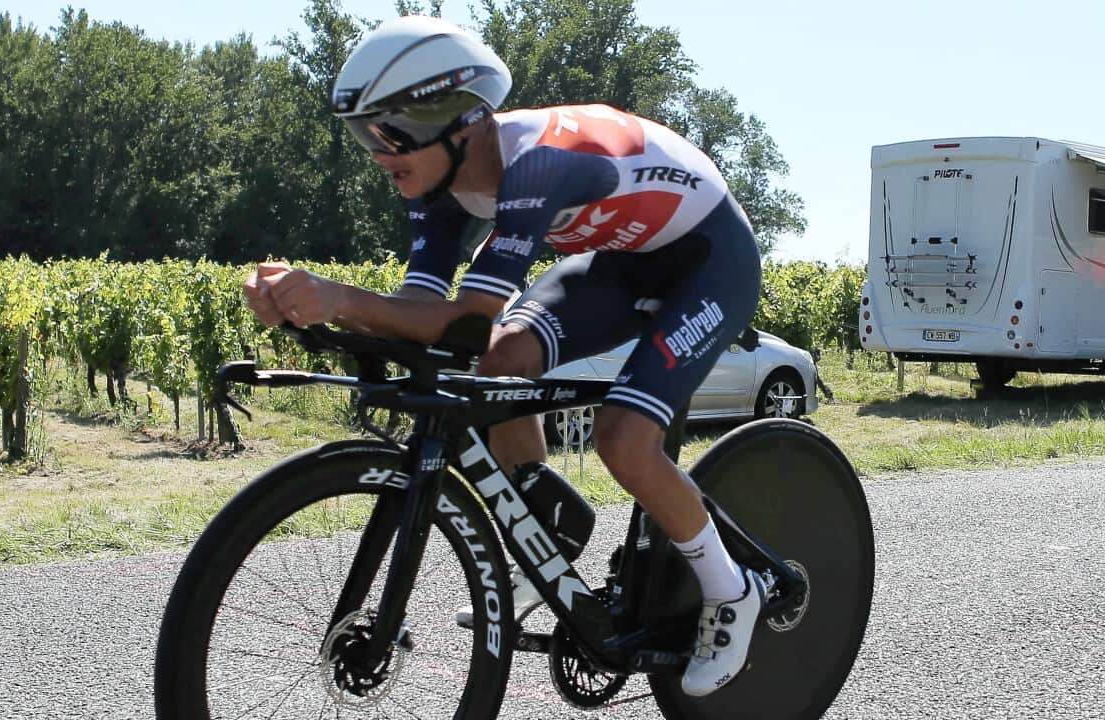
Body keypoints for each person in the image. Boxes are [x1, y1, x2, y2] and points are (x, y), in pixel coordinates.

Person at [242, 15, 764, 697]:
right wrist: (303, 310)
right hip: (621, 264)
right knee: (501, 363)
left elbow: (462, 319)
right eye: (365, 135)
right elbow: (422, 322)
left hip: (708, 261)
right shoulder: (437, 187)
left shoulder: (538, 165)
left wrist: (340, 296)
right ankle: (547, 527)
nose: (379, 152)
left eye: (392, 131)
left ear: (459, 119)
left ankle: (733, 590)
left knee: (624, 439)